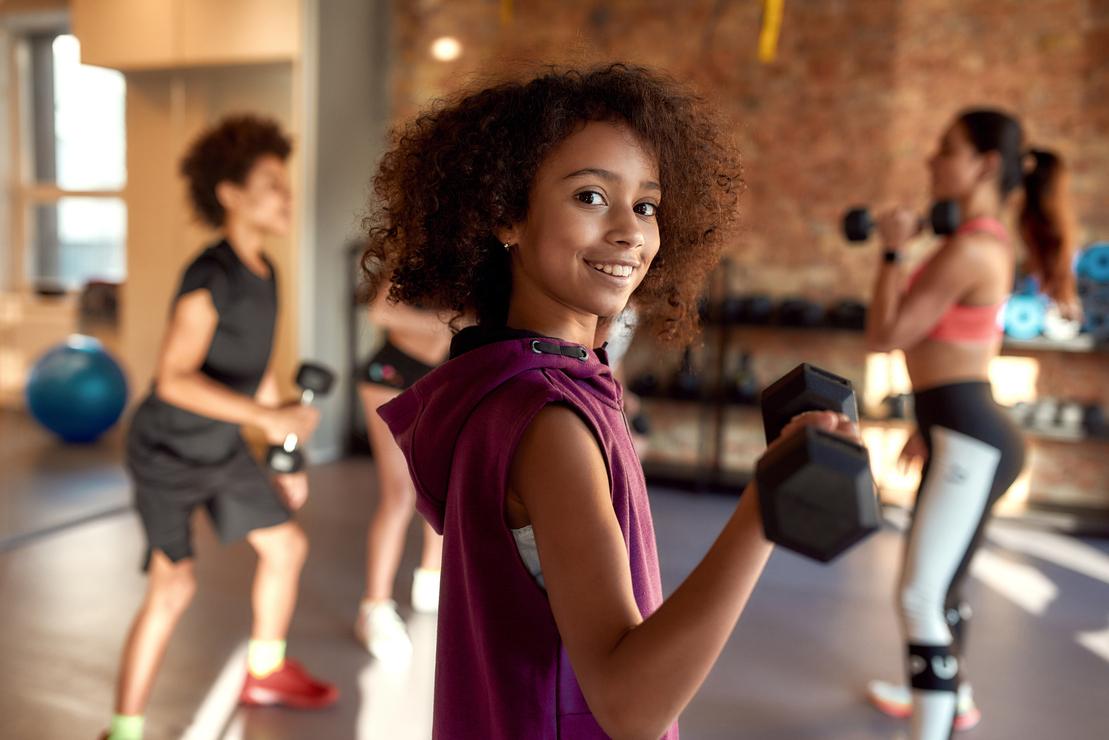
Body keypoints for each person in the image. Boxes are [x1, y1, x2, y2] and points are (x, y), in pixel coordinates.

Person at [362, 63, 856, 739]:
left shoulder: (512, 385)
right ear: (506, 212)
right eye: (591, 197)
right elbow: (628, 705)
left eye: (645, 205)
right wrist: (764, 509)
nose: (630, 231)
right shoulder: (548, 423)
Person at [103, 115, 337, 740]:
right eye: (270, 184)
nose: (286, 196)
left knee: (286, 546)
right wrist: (269, 417)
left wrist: (282, 446)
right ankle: (123, 730)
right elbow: (174, 378)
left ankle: (264, 670)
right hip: (166, 450)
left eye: (285, 184)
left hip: (221, 445)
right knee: (173, 588)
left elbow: (255, 374)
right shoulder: (211, 277)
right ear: (230, 194)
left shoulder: (266, 272)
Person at [863, 109, 1076, 740]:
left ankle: (933, 726)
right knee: (943, 586)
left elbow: (886, 334)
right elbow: (967, 350)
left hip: (972, 435)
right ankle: (949, 700)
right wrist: (928, 420)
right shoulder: (979, 244)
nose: (932, 160)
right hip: (962, 427)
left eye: (945, 150)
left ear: (984, 165)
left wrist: (894, 250)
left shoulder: (971, 248)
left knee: (918, 596)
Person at [354, 288, 452, 661]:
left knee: (440, 485)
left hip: (440, 375)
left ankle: (431, 583)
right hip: (392, 375)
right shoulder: (411, 250)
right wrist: (449, 322)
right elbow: (381, 312)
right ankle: (373, 608)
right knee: (399, 496)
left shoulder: (479, 250)